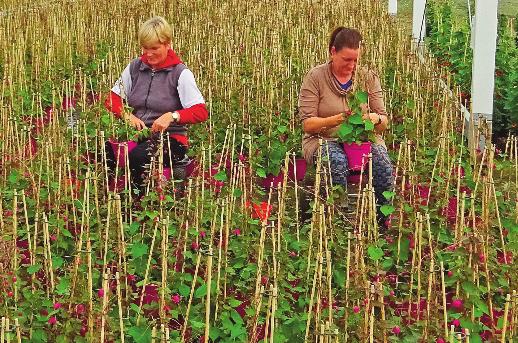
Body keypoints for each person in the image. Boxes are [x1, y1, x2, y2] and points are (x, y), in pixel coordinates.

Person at [298, 27, 394, 228]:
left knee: (383, 164)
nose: (352, 65)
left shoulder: (368, 77)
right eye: (346, 59)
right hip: (322, 140)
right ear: (333, 52)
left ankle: (381, 223)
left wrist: (375, 119)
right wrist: (338, 119)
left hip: (363, 140)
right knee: (336, 162)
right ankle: (339, 224)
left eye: (356, 60)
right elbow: (308, 124)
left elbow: (384, 121)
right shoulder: (316, 77)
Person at [105, 16, 208, 194]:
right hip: (139, 133)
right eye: (145, 48)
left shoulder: (180, 73)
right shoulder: (135, 68)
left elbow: (200, 112)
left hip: (171, 140)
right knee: (107, 151)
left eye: (154, 48)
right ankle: (110, 195)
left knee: (137, 157)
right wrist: (126, 115)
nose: (149, 53)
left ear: (168, 45)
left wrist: (173, 116)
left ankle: (139, 205)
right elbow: (112, 99)